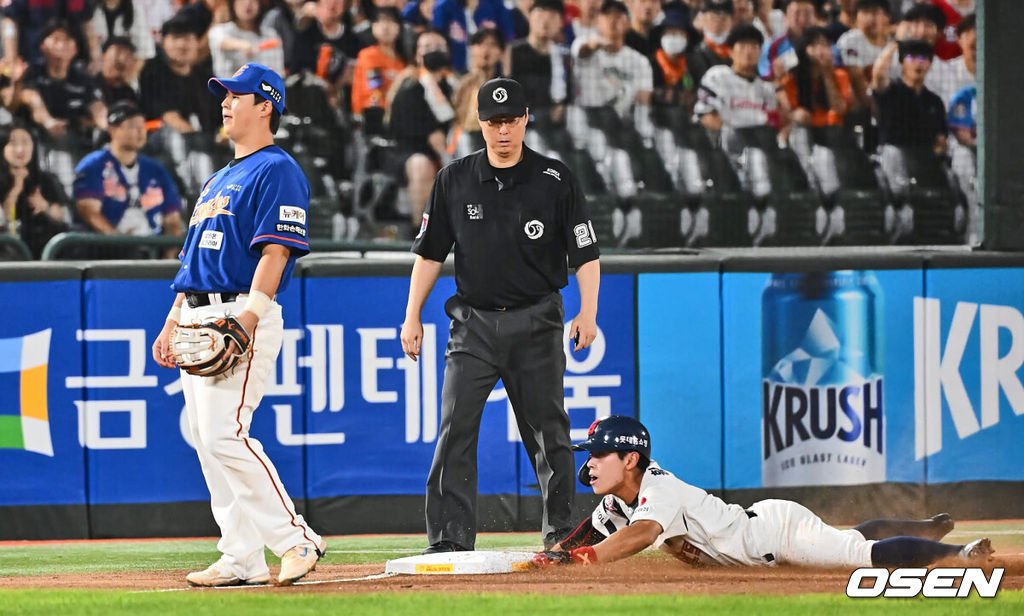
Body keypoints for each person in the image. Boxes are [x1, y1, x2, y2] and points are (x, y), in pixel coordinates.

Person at [400, 77, 601, 554]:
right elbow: (429, 254)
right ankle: (449, 537)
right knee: (455, 428)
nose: (502, 131)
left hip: (538, 320)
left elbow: (586, 255)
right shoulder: (454, 178)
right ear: (480, 124)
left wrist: (587, 312)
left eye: (510, 121)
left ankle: (561, 536)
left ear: (526, 118)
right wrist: (412, 316)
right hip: (473, 323)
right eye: (493, 122)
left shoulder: (555, 178)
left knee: (549, 432)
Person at [151, 63, 325, 587]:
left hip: (240, 309)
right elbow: (190, 264)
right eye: (223, 95)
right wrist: (171, 322)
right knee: (207, 439)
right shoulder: (217, 177)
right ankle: (242, 556)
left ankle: (297, 539)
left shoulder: (277, 169)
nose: (225, 102)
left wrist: (249, 316)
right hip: (198, 312)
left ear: (266, 105)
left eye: (237, 95)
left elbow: (276, 250)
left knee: (227, 433)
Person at [532, 415, 994, 569]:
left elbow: (640, 534)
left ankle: (961, 553)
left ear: (630, 460)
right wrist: (554, 556)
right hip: (759, 528)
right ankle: (929, 528)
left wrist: (583, 560)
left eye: (597, 454)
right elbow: (583, 539)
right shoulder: (615, 502)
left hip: (774, 535)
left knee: (860, 555)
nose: (588, 462)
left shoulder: (659, 488)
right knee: (848, 537)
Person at [72, 101, 183, 239]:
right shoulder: (93, 165)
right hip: (110, 250)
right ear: (112, 130)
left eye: (142, 125)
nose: (140, 131)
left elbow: (172, 217)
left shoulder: (156, 169)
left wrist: (170, 253)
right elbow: (89, 212)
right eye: (132, 126)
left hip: (154, 247)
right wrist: (119, 243)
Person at [385, 29, 457, 231]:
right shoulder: (409, 86)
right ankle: (421, 230)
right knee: (421, 165)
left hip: (454, 146)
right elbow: (434, 137)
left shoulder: (456, 85)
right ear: (416, 54)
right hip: (409, 151)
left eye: (439, 47)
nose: (433, 52)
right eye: (427, 48)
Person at [0, 122, 70, 258]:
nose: (20, 149)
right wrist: (15, 190)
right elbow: (4, 220)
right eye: (13, 143)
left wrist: (45, 206)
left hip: (45, 245)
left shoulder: (46, 179)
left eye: (26, 143)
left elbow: (64, 216)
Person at [352, 6, 407, 133]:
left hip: (398, 118)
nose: (385, 26)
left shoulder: (403, 61)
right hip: (372, 119)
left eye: (391, 21)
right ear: (373, 27)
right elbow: (376, 91)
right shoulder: (368, 55)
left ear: (399, 27)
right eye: (380, 21)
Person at [208, 0, 286, 78]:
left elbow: (277, 73)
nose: (247, 3)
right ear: (232, 4)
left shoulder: (271, 35)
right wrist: (241, 45)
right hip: (228, 88)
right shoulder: (220, 30)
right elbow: (220, 41)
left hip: (262, 88)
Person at [687, 0, 734, 87]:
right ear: (702, 20)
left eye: (723, 19)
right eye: (713, 18)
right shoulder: (692, 53)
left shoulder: (738, 52)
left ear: (731, 21)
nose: (718, 23)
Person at [98, 36, 141, 107]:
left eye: (127, 56)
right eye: (118, 52)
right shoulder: (90, 86)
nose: (122, 59)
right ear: (103, 56)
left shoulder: (129, 93)